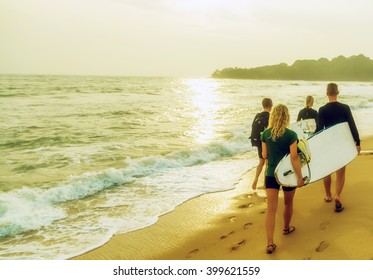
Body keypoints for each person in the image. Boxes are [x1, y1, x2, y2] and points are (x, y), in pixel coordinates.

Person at [261, 104, 304, 254]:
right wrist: (300, 177)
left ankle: (270, 243)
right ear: (286, 117)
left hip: (271, 174)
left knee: (271, 210)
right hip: (288, 175)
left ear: (273, 116)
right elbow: (294, 157)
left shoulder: (265, 134)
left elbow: (265, 156)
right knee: (288, 202)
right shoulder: (291, 135)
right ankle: (286, 228)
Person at [316, 83, 361, 212]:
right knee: (341, 173)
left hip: (328, 145)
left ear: (327, 93)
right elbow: (352, 125)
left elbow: (319, 130)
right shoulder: (345, 108)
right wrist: (357, 142)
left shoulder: (322, 110)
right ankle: (337, 195)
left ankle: (328, 195)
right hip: (342, 144)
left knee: (327, 171)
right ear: (338, 92)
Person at [251, 98, 273, 190]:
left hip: (259, 141)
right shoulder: (271, 116)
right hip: (267, 142)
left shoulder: (257, 115)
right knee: (267, 163)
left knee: (261, 162)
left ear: (262, 105)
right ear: (271, 106)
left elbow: (253, 127)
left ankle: (255, 179)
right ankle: (265, 184)